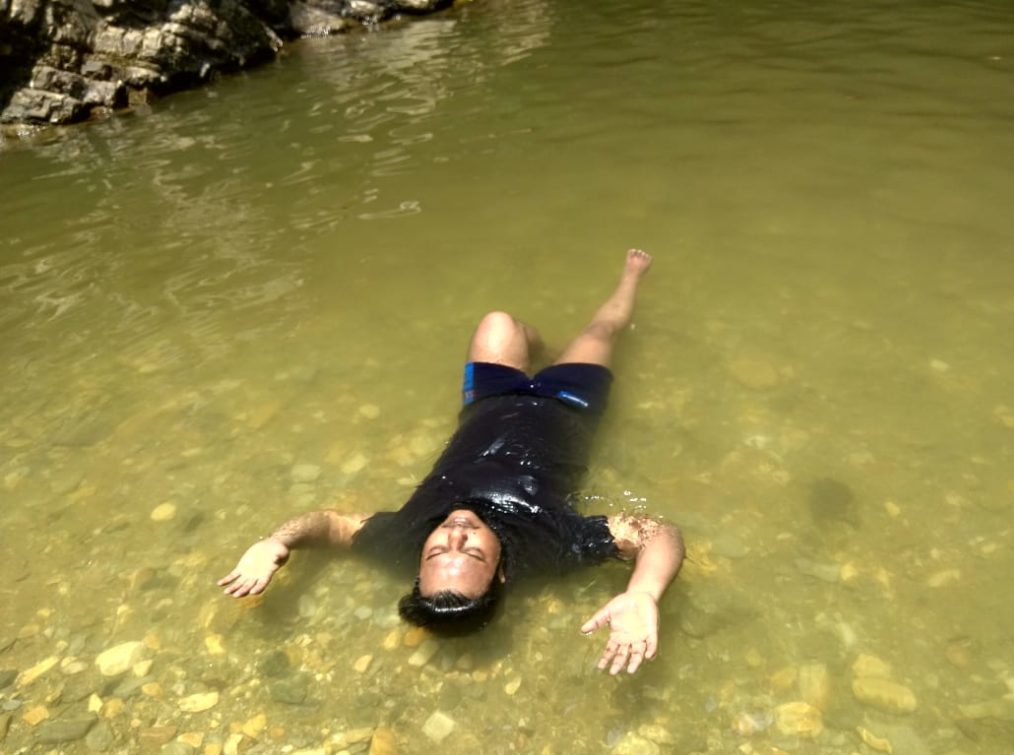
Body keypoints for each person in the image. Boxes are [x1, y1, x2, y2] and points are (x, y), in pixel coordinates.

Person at [218, 249, 684, 675]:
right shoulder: (552, 550)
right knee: (601, 332)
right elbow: (656, 533)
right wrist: (642, 592)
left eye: (438, 551)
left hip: (489, 399)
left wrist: (276, 543)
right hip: (570, 402)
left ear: (420, 568)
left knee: (500, 323)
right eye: (473, 552)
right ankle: (630, 279)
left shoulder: (399, 541)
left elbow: (329, 524)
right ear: (501, 573)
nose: (454, 533)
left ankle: (542, 351)